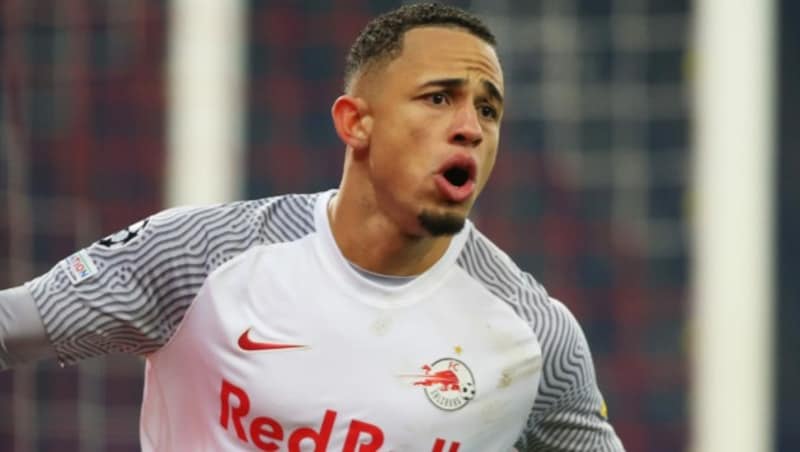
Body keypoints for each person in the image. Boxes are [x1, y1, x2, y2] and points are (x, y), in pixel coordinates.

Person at [0, 3, 624, 451]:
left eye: (488, 109)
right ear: (356, 123)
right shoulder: (202, 258)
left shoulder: (534, 337)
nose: (471, 126)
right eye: (439, 98)